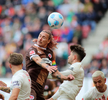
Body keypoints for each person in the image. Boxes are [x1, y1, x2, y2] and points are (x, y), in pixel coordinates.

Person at [25, 30, 73, 100]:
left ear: (48, 41)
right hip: (30, 85)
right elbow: (37, 59)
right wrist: (47, 66)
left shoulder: (51, 53)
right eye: (39, 36)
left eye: (43, 37)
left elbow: (55, 72)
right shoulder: (32, 49)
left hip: (41, 88)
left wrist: (66, 78)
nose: (40, 39)